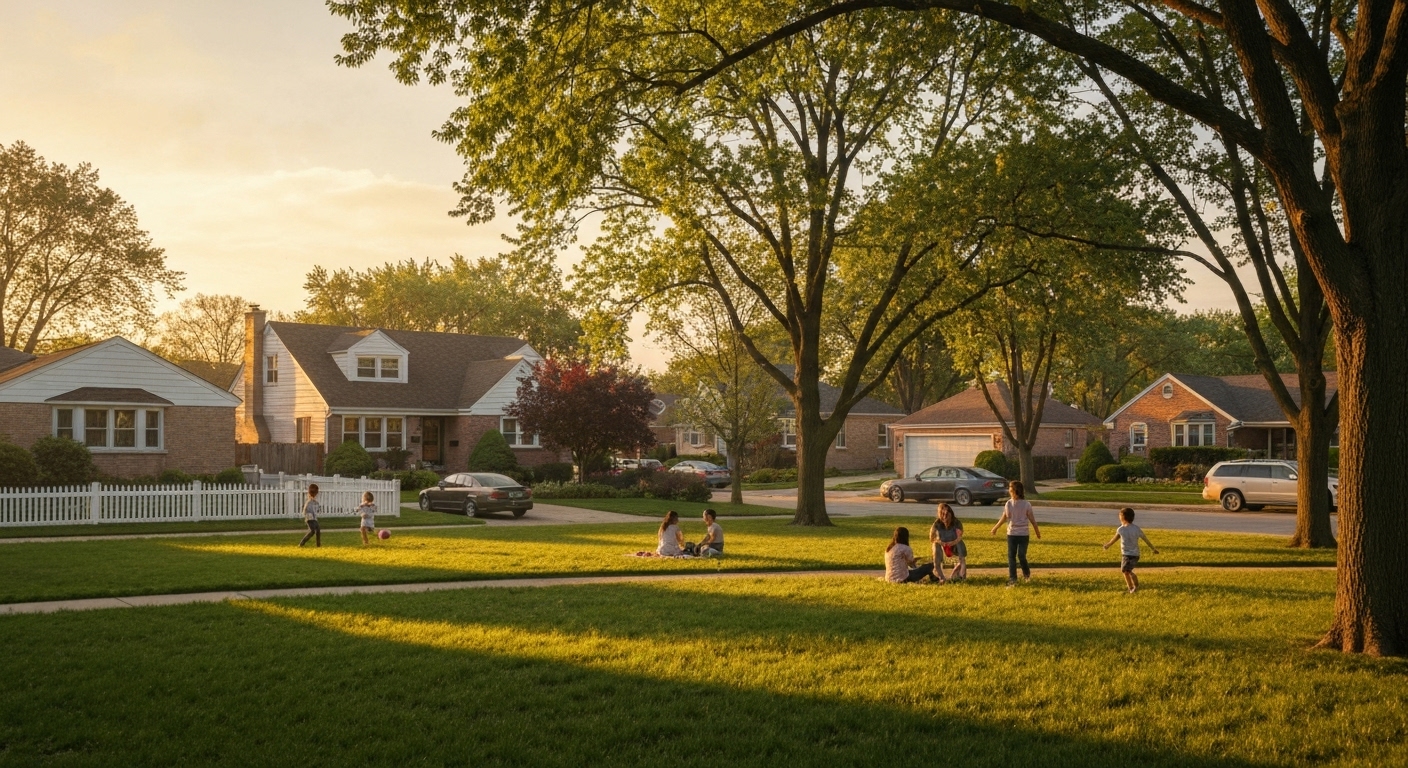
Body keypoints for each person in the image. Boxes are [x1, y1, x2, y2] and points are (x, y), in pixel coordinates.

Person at [990, 480, 1040, 586]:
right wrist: (995, 528)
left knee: (1021, 555)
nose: (1009, 490)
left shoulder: (1026, 504)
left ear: (1016, 490)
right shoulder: (1009, 504)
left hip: (1023, 534)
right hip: (1012, 534)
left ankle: (1026, 574)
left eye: (1010, 488)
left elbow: (1032, 519)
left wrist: (1037, 531)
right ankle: (1013, 579)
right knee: (1011, 556)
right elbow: (1004, 517)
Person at [1103, 507, 1160, 593]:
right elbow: (1145, 539)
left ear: (1122, 517)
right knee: (1126, 571)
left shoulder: (1121, 529)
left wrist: (1108, 545)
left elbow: (1114, 539)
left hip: (1128, 554)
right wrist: (1153, 548)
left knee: (1126, 571)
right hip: (1133, 555)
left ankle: (1134, 586)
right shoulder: (1135, 529)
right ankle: (1131, 588)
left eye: (1119, 515)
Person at [930, 503, 966, 582]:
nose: (945, 517)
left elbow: (960, 536)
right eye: (943, 514)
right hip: (942, 543)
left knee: (960, 544)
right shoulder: (937, 523)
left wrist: (953, 542)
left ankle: (961, 575)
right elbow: (932, 538)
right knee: (935, 546)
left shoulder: (956, 522)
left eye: (947, 514)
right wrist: (940, 542)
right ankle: (941, 577)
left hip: (954, 543)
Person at [299, 484, 322, 548]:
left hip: (313, 518)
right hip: (310, 518)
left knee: (318, 530)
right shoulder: (309, 502)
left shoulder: (314, 502)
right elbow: (307, 511)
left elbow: (316, 509)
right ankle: (302, 543)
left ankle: (318, 545)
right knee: (312, 531)